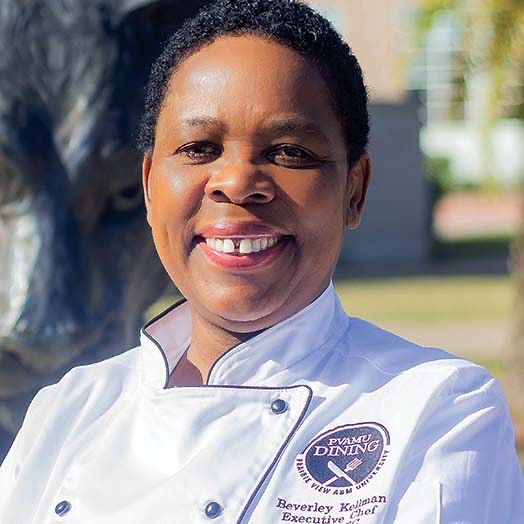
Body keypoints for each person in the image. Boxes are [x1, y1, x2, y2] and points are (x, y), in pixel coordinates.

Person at [0, 0, 522, 522]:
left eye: (290, 151)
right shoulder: (70, 408)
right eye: (199, 148)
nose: (236, 183)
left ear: (354, 191)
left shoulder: (437, 409)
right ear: (149, 188)